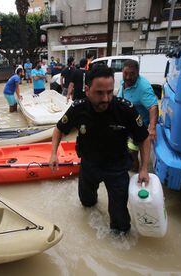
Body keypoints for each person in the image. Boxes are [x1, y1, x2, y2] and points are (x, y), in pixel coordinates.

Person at [49, 64, 151, 235]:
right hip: (89, 165)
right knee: (87, 204)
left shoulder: (125, 109)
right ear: (87, 90)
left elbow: (144, 138)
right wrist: (53, 154)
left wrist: (144, 169)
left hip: (117, 169)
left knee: (120, 222)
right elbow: (59, 129)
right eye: (100, 93)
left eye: (110, 92)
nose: (106, 98)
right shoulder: (78, 108)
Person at [117, 59, 159, 172]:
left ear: (138, 73)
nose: (128, 77)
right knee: (125, 147)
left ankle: (135, 168)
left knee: (132, 150)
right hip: (126, 123)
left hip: (138, 125)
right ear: (122, 71)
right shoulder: (124, 82)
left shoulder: (143, 87)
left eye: (132, 74)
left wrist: (152, 128)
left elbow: (153, 107)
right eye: (125, 73)